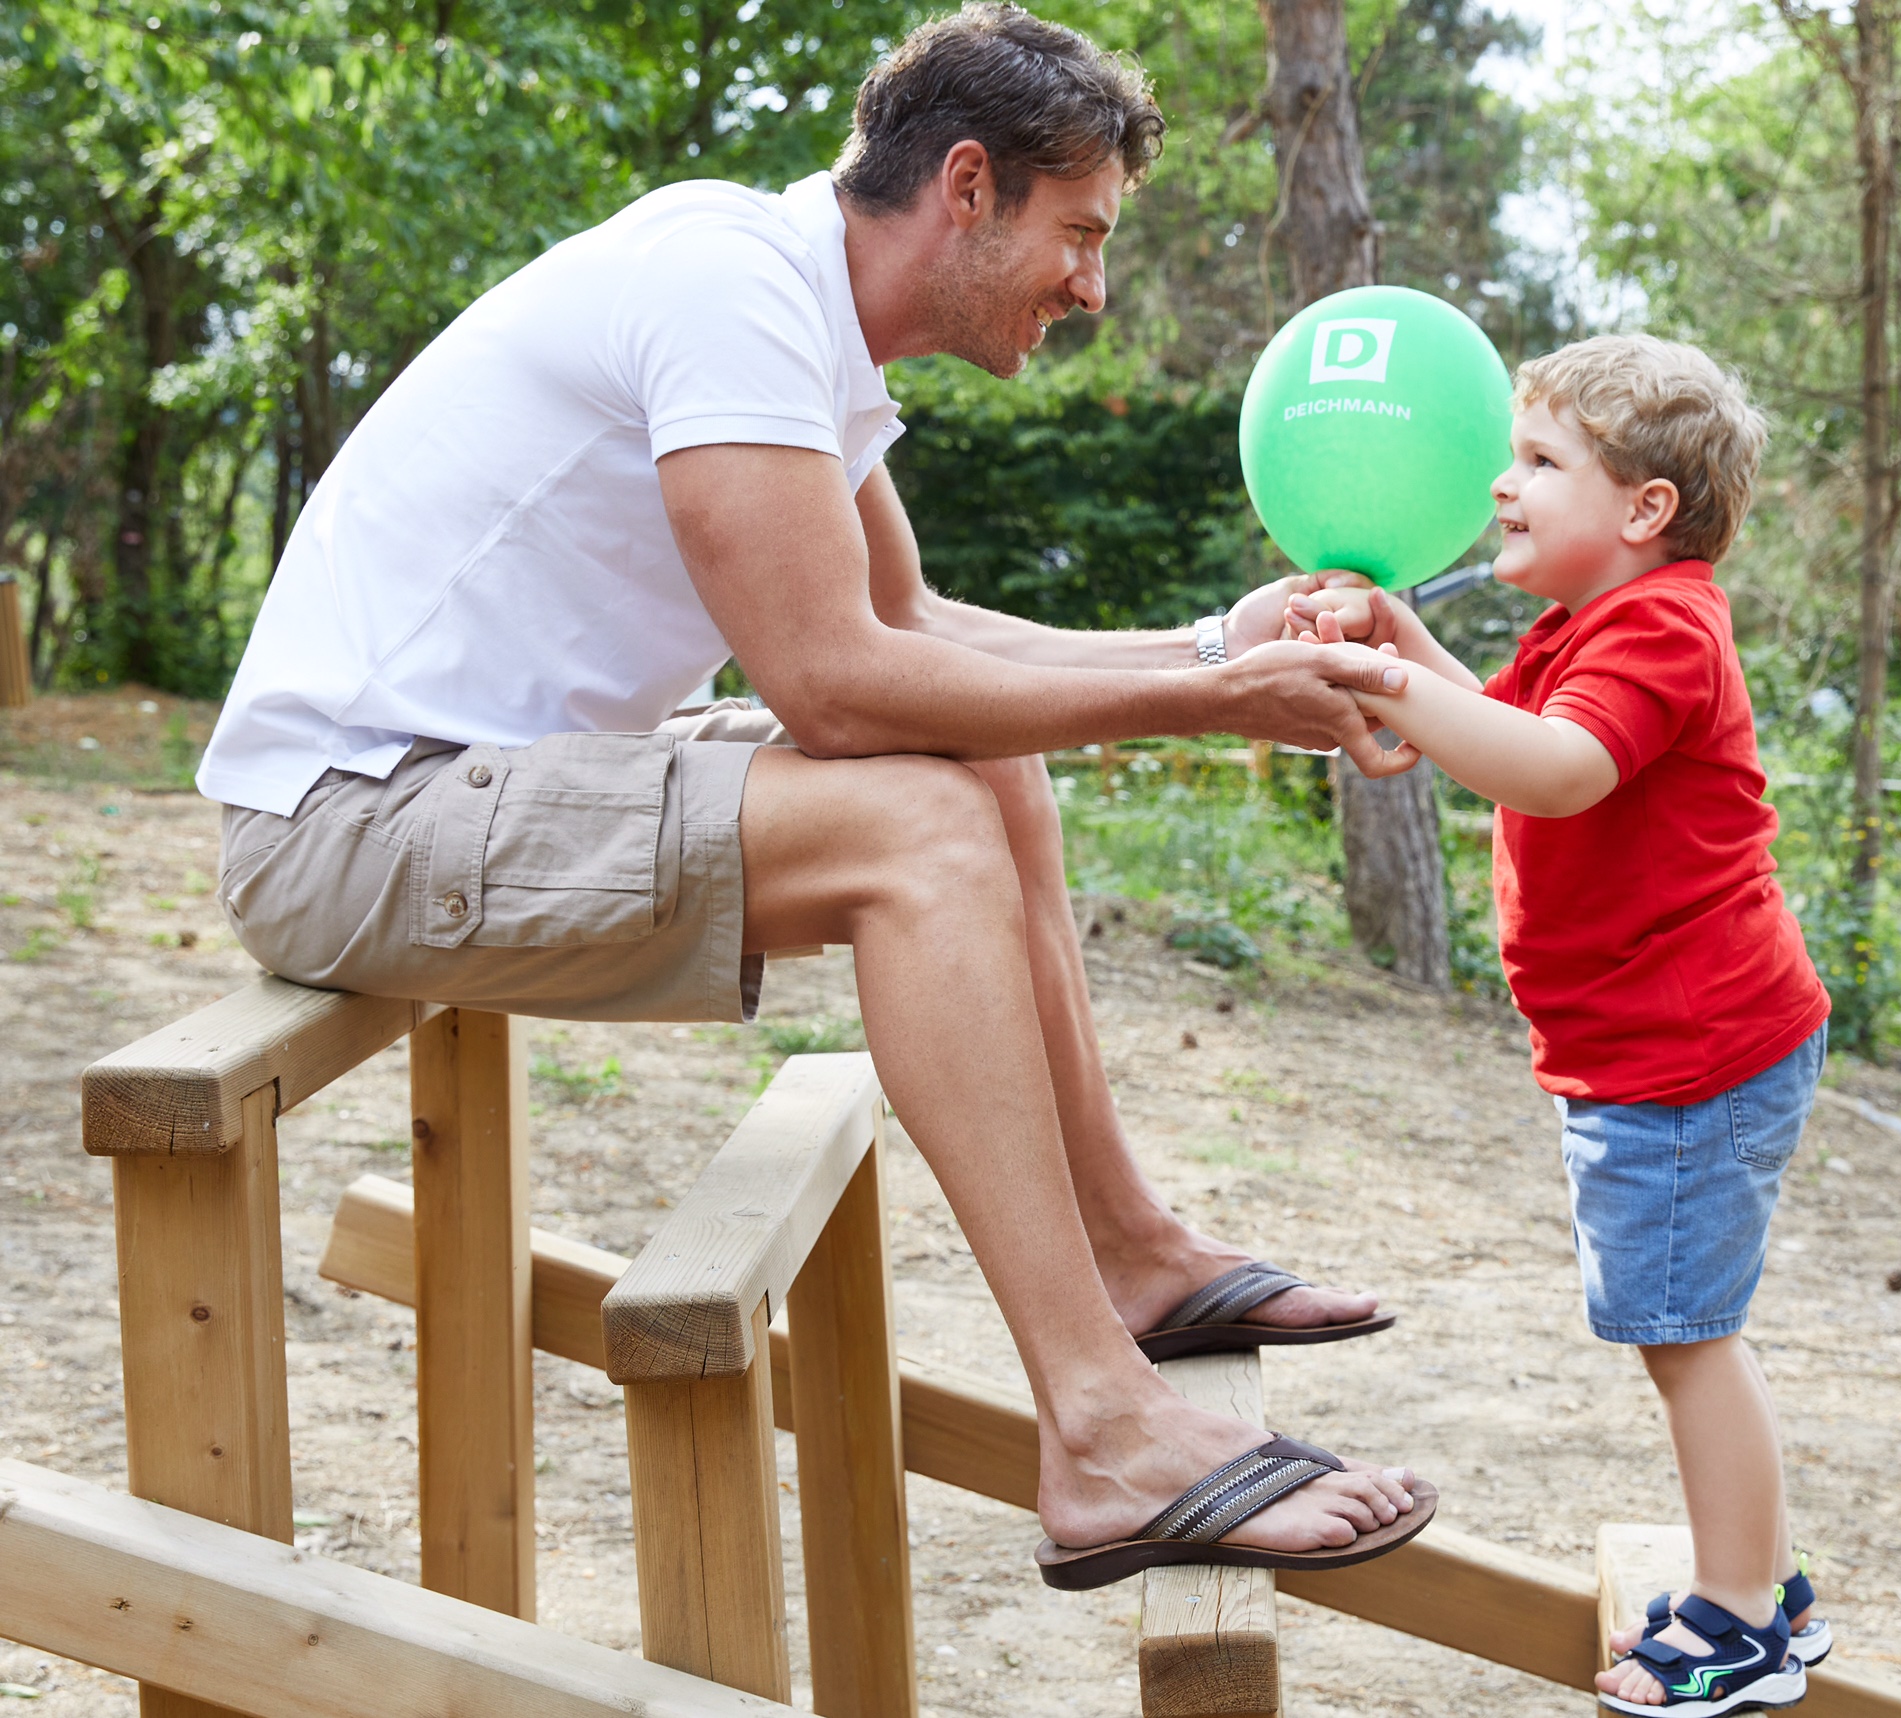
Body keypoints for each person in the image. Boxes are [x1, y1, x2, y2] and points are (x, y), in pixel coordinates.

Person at [195, 3, 1433, 1590]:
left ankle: (1129, 1252)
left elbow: (912, 630)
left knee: (980, 763)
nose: (1093, 287)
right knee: (918, 831)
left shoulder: (795, 310)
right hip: (350, 821)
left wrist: (1214, 647)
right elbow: (834, 687)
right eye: (1080, 234)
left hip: (480, 788)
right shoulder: (731, 288)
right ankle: (1103, 1426)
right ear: (968, 187)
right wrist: (1210, 703)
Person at [1290, 334, 1833, 1711]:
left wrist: (1393, 684)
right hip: (1660, 1050)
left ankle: (1741, 1622)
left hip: (1690, 1054)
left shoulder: (1661, 628)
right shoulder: (1592, 628)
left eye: (1539, 461)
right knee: (1687, 1329)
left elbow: (1557, 770)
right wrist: (1400, 641)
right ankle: (1766, 1582)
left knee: (1687, 1336)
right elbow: (1495, 727)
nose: (1500, 484)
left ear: (1646, 509)